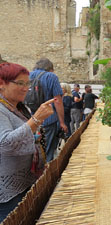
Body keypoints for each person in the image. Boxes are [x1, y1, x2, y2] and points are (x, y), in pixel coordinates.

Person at [0, 62, 55, 223]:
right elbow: (5, 143)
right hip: (8, 191)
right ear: (1, 84)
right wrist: (36, 119)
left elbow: (30, 136)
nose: (25, 88)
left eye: (27, 84)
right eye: (20, 83)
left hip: (23, 183)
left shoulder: (19, 108)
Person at [29, 58, 67, 162]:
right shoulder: (51, 77)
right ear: (50, 68)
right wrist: (62, 122)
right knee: (48, 150)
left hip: (30, 120)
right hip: (48, 119)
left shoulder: (28, 75)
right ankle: (46, 171)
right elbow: (57, 101)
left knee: (33, 149)